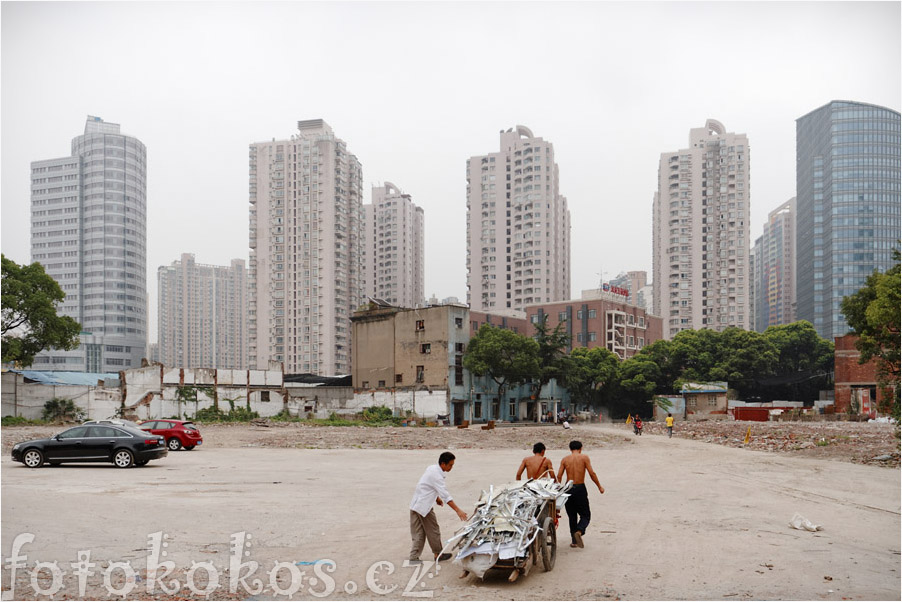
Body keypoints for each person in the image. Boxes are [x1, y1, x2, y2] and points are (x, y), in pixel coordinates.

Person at [409, 451, 468, 563]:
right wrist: (458, 510)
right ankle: (438, 554)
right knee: (433, 530)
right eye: (450, 465)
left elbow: (425, 485)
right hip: (424, 507)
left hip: (415, 504)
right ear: (443, 464)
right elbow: (445, 495)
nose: (451, 467)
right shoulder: (437, 477)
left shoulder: (431, 468)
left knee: (418, 532)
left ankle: (413, 557)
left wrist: (436, 498)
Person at [557, 441, 604, 549]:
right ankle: (579, 531)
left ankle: (574, 541)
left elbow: (559, 476)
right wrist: (599, 486)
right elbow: (592, 473)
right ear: (581, 448)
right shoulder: (584, 458)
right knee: (585, 515)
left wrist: (559, 489)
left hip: (567, 489)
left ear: (570, 449)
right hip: (579, 488)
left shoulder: (565, 459)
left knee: (572, 515)